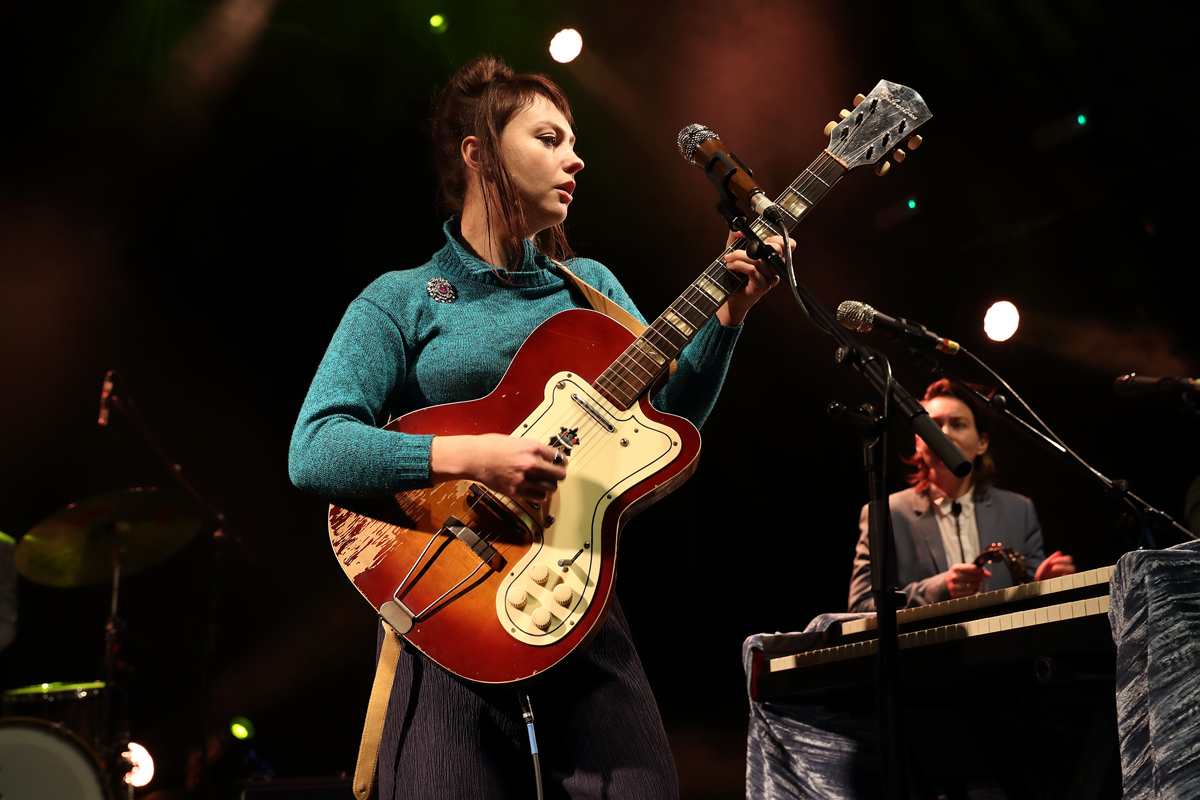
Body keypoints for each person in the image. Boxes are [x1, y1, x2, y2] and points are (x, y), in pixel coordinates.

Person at [289, 56, 781, 799]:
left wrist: (729, 320)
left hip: (577, 593)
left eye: (573, 141)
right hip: (448, 604)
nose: (574, 157)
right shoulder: (401, 300)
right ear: (479, 152)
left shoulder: (592, 289)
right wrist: (474, 456)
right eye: (549, 138)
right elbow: (314, 447)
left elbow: (664, 427)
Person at [848, 379, 1075, 612]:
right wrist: (938, 588)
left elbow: (1031, 592)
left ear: (982, 443)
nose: (944, 433)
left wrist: (1044, 584)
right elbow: (860, 605)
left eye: (958, 425)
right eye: (932, 425)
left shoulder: (1018, 509)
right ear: (918, 441)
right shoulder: (888, 513)